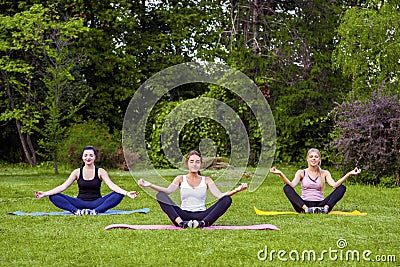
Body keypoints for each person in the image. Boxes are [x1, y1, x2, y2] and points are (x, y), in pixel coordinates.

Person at [138, 150, 247, 228]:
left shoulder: (207, 180)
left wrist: (237, 190)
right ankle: (181, 223)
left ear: (200, 164)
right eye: (192, 162)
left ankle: (202, 224)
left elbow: (220, 196)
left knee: (227, 200)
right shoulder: (180, 178)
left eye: (197, 162)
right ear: (187, 164)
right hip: (183, 214)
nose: (194, 164)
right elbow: (168, 191)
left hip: (202, 215)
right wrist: (149, 184)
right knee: (160, 195)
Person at [34, 146, 139, 215]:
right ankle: (76, 212)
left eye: (91, 155)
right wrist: (45, 193)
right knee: (54, 196)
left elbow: (112, 186)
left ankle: (95, 212)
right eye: (86, 155)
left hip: (97, 203)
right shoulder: (77, 172)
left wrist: (126, 193)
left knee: (118, 194)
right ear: (82, 157)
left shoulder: (101, 171)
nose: (88, 157)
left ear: (94, 157)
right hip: (79, 203)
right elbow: (63, 187)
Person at [269, 148, 361, 214]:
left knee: (342, 188)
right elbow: (291, 185)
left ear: (319, 159)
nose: (313, 158)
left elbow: (334, 185)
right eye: (311, 156)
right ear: (307, 159)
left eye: (316, 157)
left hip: (321, 205)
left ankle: (325, 209)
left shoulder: (324, 173)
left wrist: (349, 174)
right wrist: (280, 173)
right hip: (303, 205)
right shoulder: (301, 172)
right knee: (287, 188)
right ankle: (307, 210)